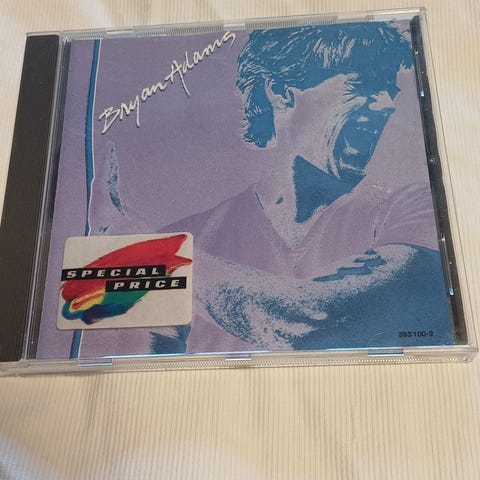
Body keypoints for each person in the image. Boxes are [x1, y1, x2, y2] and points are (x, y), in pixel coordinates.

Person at [149, 22, 454, 353]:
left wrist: (172, 263)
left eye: (389, 91)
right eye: (363, 83)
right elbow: (149, 368)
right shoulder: (194, 234)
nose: (388, 105)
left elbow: (316, 322)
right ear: (280, 91)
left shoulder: (416, 212)